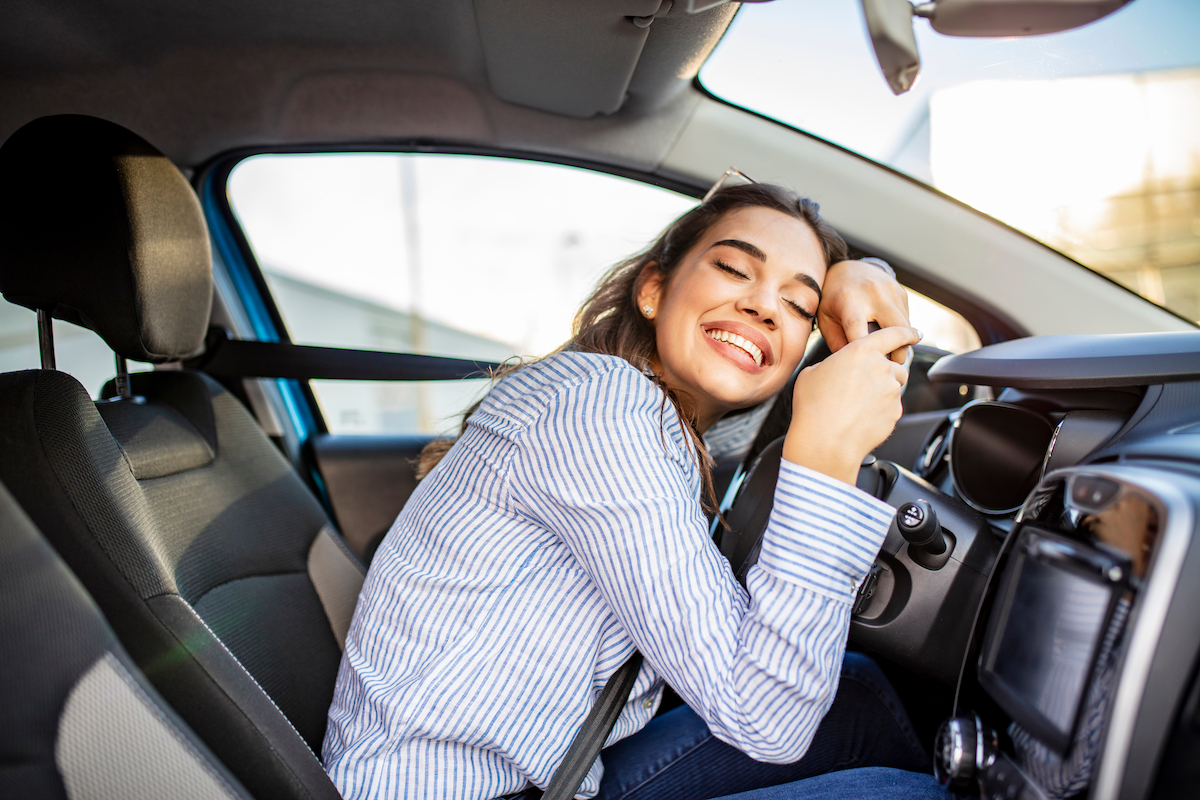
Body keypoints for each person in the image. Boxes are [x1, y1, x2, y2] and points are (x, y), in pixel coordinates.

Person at [323, 181, 947, 800]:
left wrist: (857, 273)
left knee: (857, 692)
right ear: (653, 289)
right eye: (734, 268)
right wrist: (827, 457)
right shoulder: (602, 406)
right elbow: (769, 718)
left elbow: (751, 433)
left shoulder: (665, 425)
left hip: (554, 774)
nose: (764, 307)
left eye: (798, 306)